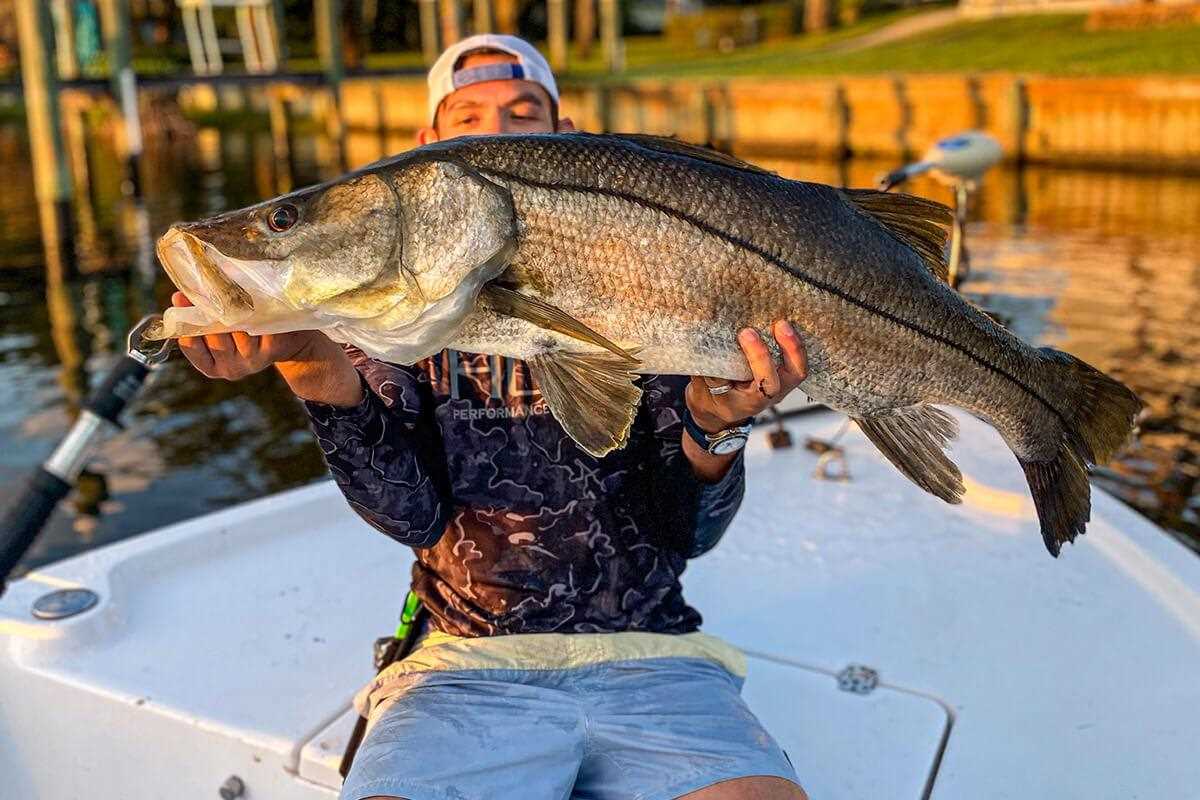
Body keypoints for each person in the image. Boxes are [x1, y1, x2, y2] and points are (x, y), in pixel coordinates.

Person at [173, 34, 810, 800]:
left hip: (655, 649)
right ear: (427, 153)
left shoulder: (657, 283)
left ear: (568, 139)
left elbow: (689, 533)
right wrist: (310, 359)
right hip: (465, 662)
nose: (498, 129)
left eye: (522, 110)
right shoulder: (385, 325)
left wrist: (717, 424)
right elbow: (410, 514)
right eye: (469, 114)